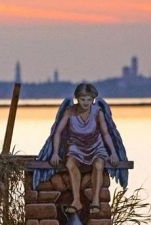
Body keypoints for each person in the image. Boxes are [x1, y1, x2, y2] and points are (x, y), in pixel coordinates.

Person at [33, 83, 129, 212]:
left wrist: (113, 153)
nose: (86, 102)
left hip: (95, 146)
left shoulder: (98, 112)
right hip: (76, 146)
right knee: (70, 164)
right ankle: (76, 200)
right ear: (77, 98)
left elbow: (106, 133)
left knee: (99, 165)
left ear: (93, 100)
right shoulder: (69, 111)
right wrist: (55, 153)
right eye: (83, 99)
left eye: (89, 99)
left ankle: (95, 201)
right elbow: (58, 132)